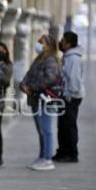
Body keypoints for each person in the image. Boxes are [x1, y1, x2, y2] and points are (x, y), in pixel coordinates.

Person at [20, 35, 60, 171]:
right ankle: (42, 156)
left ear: (48, 45)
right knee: (41, 130)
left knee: (46, 130)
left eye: (40, 42)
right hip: (36, 99)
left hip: (45, 100)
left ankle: (48, 159)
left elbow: (50, 78)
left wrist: (31, 87)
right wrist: (23, 85)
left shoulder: (50, 60)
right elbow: (28, 75)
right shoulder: (39, 59)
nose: (38, 44)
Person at [53, 32, 85, 163]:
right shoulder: (67, 56)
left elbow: (74, 79)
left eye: (63, 41)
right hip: (65, 95)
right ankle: (62, 151)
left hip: (71, 97)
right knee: (62, 125)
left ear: (69, 44)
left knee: (69, 125)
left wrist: (69, 95)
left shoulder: (74, 59)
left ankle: (72, 153)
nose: (60, 42)